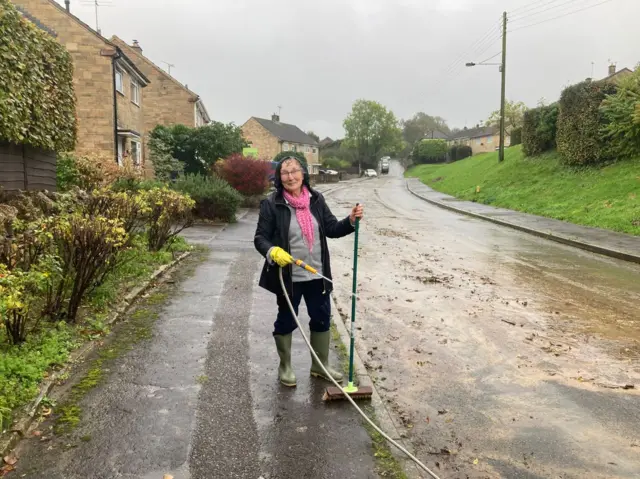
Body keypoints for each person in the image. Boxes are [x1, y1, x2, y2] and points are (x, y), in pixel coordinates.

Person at [254, 156, 364, 387]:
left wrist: (350, 221)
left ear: (304, 173)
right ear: (278, 177)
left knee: (322, 319)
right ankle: (285, 366)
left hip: (318, 275)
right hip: (289, 277)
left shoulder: (316, 200)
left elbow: (332, 229)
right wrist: (272, 250)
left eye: (295, 171)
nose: (290, 176)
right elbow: (260, 238)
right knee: (286, 320)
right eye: (285, 172)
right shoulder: (272, 203)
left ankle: (319, 366)